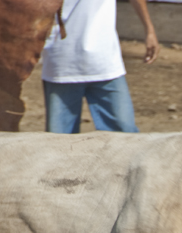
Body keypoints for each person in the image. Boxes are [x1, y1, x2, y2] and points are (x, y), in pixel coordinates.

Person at [41, 0, 160, 133]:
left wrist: (149, 30)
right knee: (59, 142)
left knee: (125, 135)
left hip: (104, 62)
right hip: (61, 63)